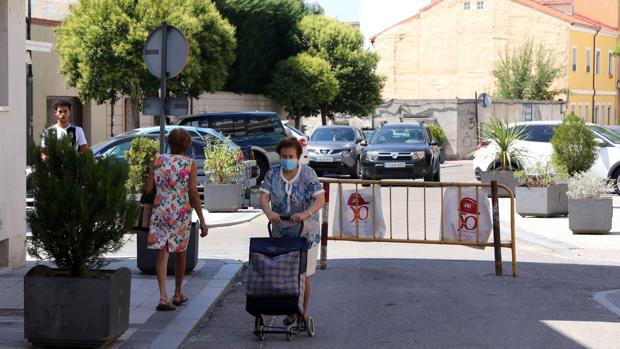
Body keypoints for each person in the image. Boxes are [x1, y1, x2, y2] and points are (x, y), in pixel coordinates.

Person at [259, 137, 326, 325]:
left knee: (304, 274)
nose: (286, 159)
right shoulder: (273, 173)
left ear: (298, 156)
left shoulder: (308, 174)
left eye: (290, 156)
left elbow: (320, 200)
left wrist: (306, 213)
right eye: (283, 156)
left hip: (307, 231)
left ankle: (301, 312)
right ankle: (291, 309)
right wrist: (269, 211)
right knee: (285, 272)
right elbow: (264, 197)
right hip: (282, 230)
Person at [145, 128, 209, 311]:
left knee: (162, 253)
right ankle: (178, 293)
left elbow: (149, 189)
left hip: (160, 211)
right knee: (180, 252)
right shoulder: (190, 164)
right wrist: (202, 221)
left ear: (170, 143)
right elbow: (194, 193)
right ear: (187, 145)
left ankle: (163, 297)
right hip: (180, 212)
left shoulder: (158, 160)